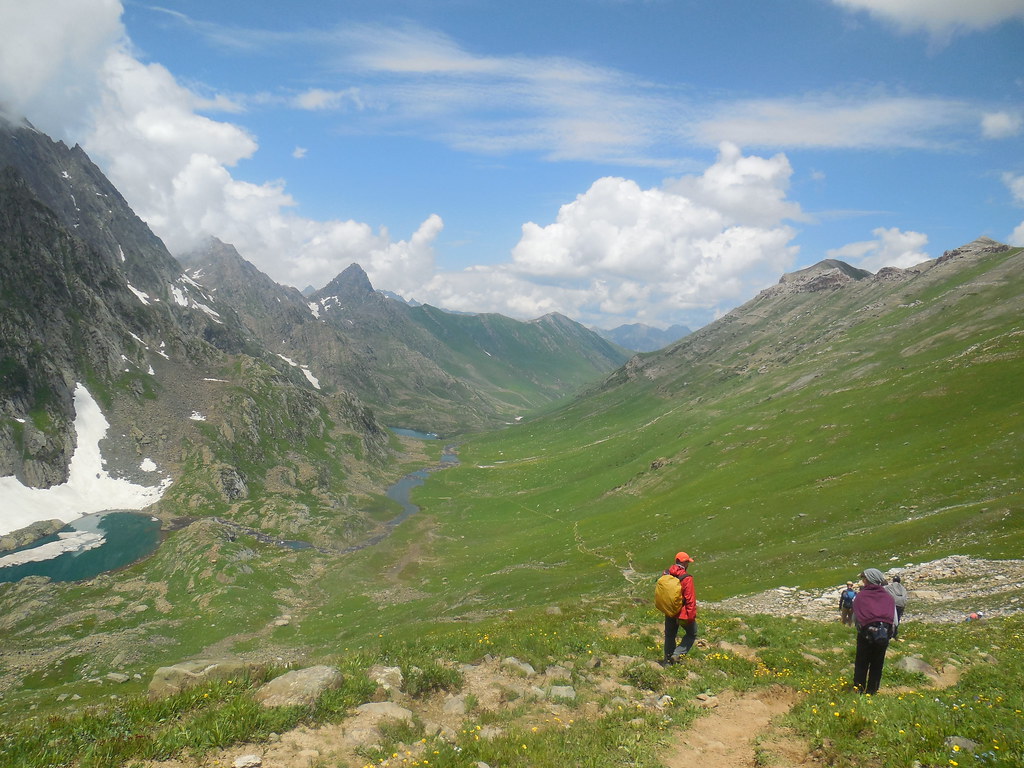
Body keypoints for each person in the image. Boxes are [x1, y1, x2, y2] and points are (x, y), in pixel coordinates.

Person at [852, 568, 898, 694]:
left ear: (869, 580)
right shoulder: (888, 597)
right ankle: (872, 691)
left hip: (865, 635)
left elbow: (855, 618)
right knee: (877, 663)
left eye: (864, 578)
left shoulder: (861, 596)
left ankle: (858, 689)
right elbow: (895, 620)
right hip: (883, 635)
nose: (863, 581)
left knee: (862, 662)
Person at [661, 551, 697, 665]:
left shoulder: (666, 573)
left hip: (669, 610)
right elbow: (690, 599)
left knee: (670, 635)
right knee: (692, 633)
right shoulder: (686, 578)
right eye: (687, 562)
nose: (688, 564)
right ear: (685, 563)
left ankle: (668, 661)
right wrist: (691, 617)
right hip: (682, 613)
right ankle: (677, 655)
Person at [884, 574, 909, 639]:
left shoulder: (889, 587)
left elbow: (883, 589)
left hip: (893, 604)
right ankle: (894, 634)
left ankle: (889, 634)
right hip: (901, 605)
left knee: (891, 619)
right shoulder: (903, 588)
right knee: (897, 619)